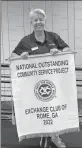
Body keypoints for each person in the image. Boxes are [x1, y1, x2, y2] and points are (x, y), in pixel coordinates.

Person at [11, 9, 72, 148]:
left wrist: (60, 52)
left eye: (41, 19)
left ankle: (55, 137)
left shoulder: (53, 37)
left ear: (45, 21)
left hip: (55, 83)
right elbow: (13, 56)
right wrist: (22, 56)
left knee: (54, 111)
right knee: (42, 112)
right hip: (36, 85)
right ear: (31, 23)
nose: (38, 22)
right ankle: (44, 137)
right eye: (35, 20)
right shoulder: (26, 40)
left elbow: (68, 50)